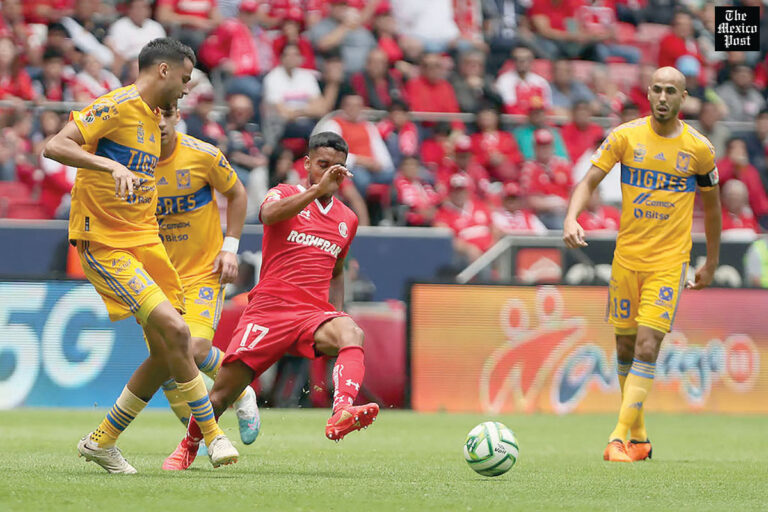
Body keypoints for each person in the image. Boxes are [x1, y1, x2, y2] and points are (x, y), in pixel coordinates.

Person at [42, 38, 238, 473]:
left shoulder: (154, 120)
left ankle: (101, 440)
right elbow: (55, 145)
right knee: (175, 329)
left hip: (146, 242)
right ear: (163, 71)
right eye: (184, 79)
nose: (186, 89)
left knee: (170, 350)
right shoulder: (116, 106)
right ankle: (213, 435)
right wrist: (110, 165)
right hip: (105, 242)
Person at [163, 132, 379, 470]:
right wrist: (315, 191)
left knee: (352, 332)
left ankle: (341, 412)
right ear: (307, 164)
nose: (329, 174)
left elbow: (337, 269)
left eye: (337, 168)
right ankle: (188, 445)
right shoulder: (284, 193)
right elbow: (268, 215)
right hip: (269, 312)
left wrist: (337, 310)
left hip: (312, 315)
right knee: (222, 393)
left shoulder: (347, 219)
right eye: (322, 165)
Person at [562, 66, 722, 463]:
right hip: (627, 259)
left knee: (648, 345)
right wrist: (571, 217)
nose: (663, 97)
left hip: (669, 263)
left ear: (683, 98)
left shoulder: (699, 149)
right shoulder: (625, 137)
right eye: (657, 90)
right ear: (648, 94)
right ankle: (640, 437)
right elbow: (588, 181)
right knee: (625, 345)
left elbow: (713, 209)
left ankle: (617, 438)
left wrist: (711, 261)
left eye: (671, 91)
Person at [153, 104, 260, 452]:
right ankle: (201, 439)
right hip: (156, 278)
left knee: (193, 348)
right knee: (167, 366)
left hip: (203, 271)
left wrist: (230, 248)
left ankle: (240, 391)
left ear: (177, 117)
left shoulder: (203, 155)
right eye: (153, 115)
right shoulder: (133, 163)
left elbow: (237, 193)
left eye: (167, 114)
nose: (160, 123)